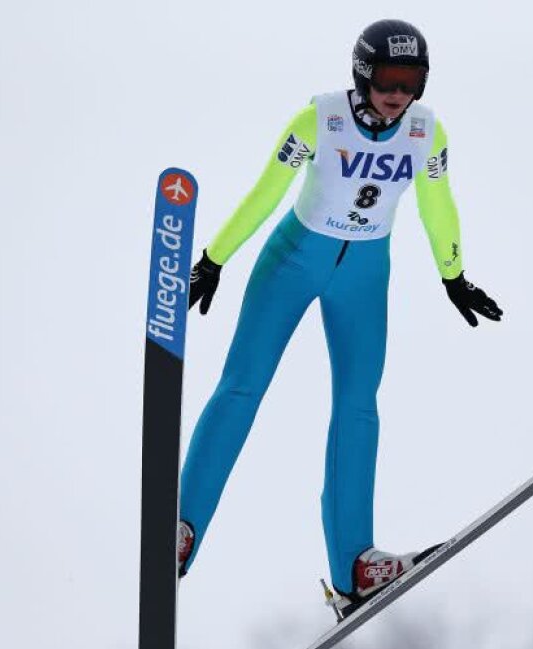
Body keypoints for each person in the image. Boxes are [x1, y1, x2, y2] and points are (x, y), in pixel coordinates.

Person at [176, 19, 502, 616]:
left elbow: (438, 204)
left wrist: (453, 276)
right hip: (294, 259)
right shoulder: (319, 120)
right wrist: (214, 258)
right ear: (362, 73)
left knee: (358, 405)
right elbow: (266, 191)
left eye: (412, 81)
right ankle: (182, 528)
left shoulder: (428, 134)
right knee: (243, 387)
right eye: (388, 79)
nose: (398, 93)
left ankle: (355, 566)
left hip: (365, 274)